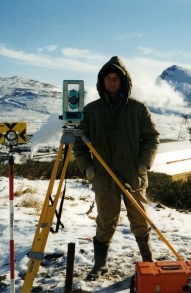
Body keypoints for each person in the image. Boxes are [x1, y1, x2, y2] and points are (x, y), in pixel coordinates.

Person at [73, 56, 160, 280]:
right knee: (105, 221)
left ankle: (148, 261)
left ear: (124, 81)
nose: (112, 82)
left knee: (140, 220)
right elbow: (79, 146)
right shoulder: (91, 111)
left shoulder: (138, 108)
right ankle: (100, 265)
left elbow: (151, 138)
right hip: (103, 178)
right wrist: (89, 170)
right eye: (108, 78)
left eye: (116, 78)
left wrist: (143, 165)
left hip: (133, 176)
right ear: (101, 82)